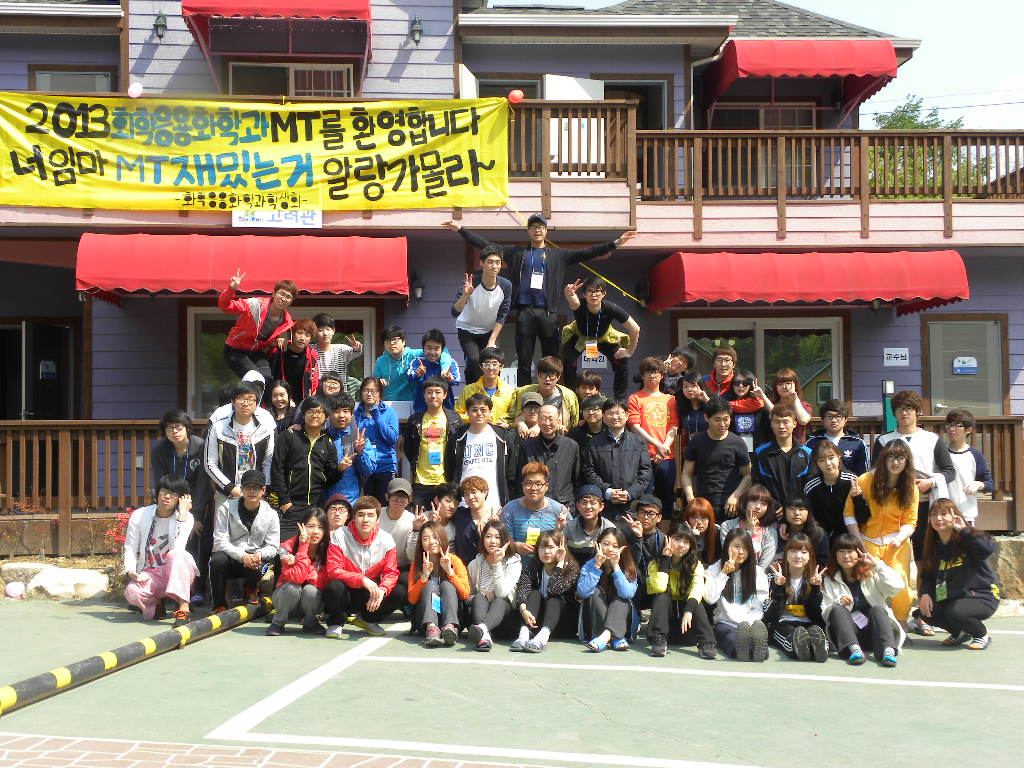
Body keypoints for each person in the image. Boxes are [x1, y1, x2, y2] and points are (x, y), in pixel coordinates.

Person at [445, 215, 638, 387]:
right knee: (524, 360)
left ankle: (552, 394)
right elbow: (486, 245)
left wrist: (616, 243)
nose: (537, 230)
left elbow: (588, 252)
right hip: (525, 312)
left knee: (552, 360)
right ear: (528, 231)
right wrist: (461, 230)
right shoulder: (517, 253)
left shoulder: (558, 255)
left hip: (548, 313)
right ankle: (524, 397)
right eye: (533, 227)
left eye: (541, 227)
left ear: (546, 231)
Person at [872, 389, 955, 558]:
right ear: (894, 413)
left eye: (909, 408)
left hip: (925, 503)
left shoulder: (932, 439)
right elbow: (875, 472)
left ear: (917, 411)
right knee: (894, 551)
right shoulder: (884, 440)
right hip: (894, 504)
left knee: (925, 552)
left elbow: (949, 471)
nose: (904, 413)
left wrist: (931, 482)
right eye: (900, 409)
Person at [846, 440, 918, 629]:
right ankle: (871, 626)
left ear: (907, 461)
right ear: (883, 459)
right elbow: (849, 515)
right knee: (868, 582)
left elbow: (911, 521)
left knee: (900, 580)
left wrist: (899, 539)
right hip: (867, 542)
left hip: (897, 544)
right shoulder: (865, 480)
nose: (895, 462)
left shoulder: (911, 487)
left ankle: (901, 625)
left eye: (901, 458)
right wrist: (858, 542)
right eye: (891, 457)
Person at [915, 499, 1001, 650]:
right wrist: (925, 594)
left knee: (956, 612)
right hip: (954, 598)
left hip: (982, 595)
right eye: (933, 515)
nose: (938, 518)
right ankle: (959, 632)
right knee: (925, 612)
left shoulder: (966, 538)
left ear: (955, 516)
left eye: (944, 514)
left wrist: (964, 530)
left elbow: (986, 550)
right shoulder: (932, 546)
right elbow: (927, 576)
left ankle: (981, 634)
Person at [151, 409, 213, 605]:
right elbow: (162, 483)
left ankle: (196, 589)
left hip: (197, 502)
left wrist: (195, 516)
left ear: (187, 428)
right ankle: (166, 589)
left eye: (178, 427)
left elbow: (203, 483)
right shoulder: (159, 450)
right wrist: (171, 511)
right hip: (171, 502)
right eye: (169, 428)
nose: (174, 431)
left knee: (195, 543)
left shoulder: (201, 447)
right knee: (168, 543)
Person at [123, 475, 197, 627]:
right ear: (157, 493)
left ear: (182, 498)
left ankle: (184, 609)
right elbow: (130, 546)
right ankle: (157, 602)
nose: (167, 497)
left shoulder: (186, 518)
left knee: (176, 554)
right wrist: (130, 571)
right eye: (164, 491)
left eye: (174, 494)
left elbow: (179, 548)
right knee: (131, 593)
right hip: (151, 571)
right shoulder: (140, 515)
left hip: (175, 569)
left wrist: (182, 515)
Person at [821, 535, 905, 666]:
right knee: (837, 609)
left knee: (877, 609)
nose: (846, 556)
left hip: (875, 634)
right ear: (835, 555)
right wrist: (838, 602)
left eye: (850, 551)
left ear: (859, 553)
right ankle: (854, 650)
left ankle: (887, 651)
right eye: (841, 551)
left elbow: (898, 586)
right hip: (848, 636)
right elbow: (825, 613)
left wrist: (877, 566)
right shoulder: (829, 579)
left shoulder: (872, 574)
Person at [323, 496, 400, 639]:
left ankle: (367, 619)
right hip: (347, 592)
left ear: (377, 519)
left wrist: (382, 590)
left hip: (369, 594)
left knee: (399, 591)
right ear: (353, 518)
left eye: (370, 515)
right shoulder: (340, 535)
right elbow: (333, 570)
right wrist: (362, 579)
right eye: (361, 515)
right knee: (333, 586)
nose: (365, 520)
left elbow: (391, 573)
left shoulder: (386, 539)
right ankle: (336, 622)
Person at [270, 395, 341, 543]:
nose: (315, 415)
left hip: (315, 508)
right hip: (290, 507)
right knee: (285, 549)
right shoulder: (289, 436)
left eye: (319, 412)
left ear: (326, 417)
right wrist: (285, 501)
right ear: (303, 414)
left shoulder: (328, 443)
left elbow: (330, 479)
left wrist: (340, 469)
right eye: (310, 411)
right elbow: (277, 470)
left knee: (310, 550)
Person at [210, 469, 280, 614]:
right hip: (231, 556)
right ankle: (219, 604)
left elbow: (273, 546)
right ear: (241, 489)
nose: (252, 491)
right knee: (216, 560)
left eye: (256, 488)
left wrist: (259, 554)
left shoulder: (271, 514)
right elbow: (220, 540)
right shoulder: (226, 508)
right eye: (248, 487)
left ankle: (251, 588)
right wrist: (242, 556)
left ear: (263, 490)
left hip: (256, 560)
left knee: (263, 561)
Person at [646, 521, 718, 659]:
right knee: (661, 596)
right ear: (668, 539)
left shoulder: (695, 564)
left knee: (695, 601)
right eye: (677, 539)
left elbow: (698, 588)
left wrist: (689, 610)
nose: (681, 545)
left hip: (687, 626)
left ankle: (707, 642)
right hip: (665, 627)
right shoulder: (654, 564)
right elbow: (659, 587)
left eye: (686, 542)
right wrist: (665, 560)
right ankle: (659, 641)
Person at [561, 276, 640, 400]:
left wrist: (629, 351)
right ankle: (572, 399)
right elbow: (573, 300)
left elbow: (635, 329)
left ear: (603, 294)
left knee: (621, 362)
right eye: (590, 291)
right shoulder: (579, 305)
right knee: (568, 361)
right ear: (584, 294)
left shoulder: (611, 308)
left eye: (597, 291)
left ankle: (619, 401)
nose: (594, 294)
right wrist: (568, 294)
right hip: (580, 336)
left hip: (605, 338)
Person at [205, 380, 275, 509]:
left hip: (256, 494)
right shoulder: (218, 427)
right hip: (226, 494)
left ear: (257, 403)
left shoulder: (265, 429)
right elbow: (210, 464)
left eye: (251, 399)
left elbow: (268, 462)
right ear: (232, 401)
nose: (245, 403)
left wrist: (263, 488)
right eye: (240, 398)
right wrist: (230, 488)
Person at [704, 528, 770, 661]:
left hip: (749, 624)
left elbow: (759, 607)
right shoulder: (714, 569)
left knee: (763, 651)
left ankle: (753, 650)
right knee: (735, 643)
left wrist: (747, 623)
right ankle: (744, 650)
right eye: (737, 546)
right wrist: (724, 573)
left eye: (745, 548)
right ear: (727, 547)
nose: (741, 552)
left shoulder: (757, 572)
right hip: (724, 624)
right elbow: (710, 599)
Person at [681, 397, 752, 519]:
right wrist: (691, 499)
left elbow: (748, 475)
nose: (722, 424)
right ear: (706, 418)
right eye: (717, 420)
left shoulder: (738, 443)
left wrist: (736, 496)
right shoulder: (696, 442)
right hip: (704, 505)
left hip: (731, 506)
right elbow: (686, 474)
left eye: (726, 419)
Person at [581, 398, 653, 519]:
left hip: (632, 506)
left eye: (619, 413)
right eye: (610, 413)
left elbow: (645, 472)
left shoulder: (638, 441)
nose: (615, 417)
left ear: (627, 416)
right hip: (603, 505)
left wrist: (629, 493)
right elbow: (589, 471)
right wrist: (608, 492)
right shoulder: (593, 443)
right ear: (604, 417)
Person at [219, 270, 296, 383]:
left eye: (288, 297)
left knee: (267, 378)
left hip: (256, 352)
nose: (284, 299)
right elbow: (226, 306)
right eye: (281, 294)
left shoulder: (286, 321)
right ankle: (243, 395)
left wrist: (280, 340)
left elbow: (280, 342)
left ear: (291, 301)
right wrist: (232, 288)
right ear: (274, 294)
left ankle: (259, 395)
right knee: (255, 378)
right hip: (235, 349)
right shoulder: (255, 304)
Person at [451, 245, 513, 383]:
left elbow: (503, 314)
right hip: (467, 329)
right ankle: (472, 392)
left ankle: (492, 392)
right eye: (490, 262)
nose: (494, 266)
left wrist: (492, 340)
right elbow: (455, 311)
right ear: (481, 263)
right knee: (474, 361)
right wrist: (465, 295)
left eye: (497, 262)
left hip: (490, 331)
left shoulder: (506, 285)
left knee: (492, 363)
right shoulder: (471, 282)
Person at [511, 529, 580, 652]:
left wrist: (560, 564)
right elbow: (523, 589)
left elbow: (554, 590)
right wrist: (523, 611)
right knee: (534, 593)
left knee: (554, 598)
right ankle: (524, 635)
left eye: (551, 547)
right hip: (536, 622)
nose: (546, 552)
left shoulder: (571, 568)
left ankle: (542, 638)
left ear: (561, 549)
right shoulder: (533, 565)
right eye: (542, 547)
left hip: (563, 623)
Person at [764, 534, 828, 662]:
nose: (798, 556)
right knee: (792, 635)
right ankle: (799, 648)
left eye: (804, 552)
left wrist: (815, 589)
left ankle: (819, 649)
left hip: (809, 622)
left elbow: (817, 614)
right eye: (793, 551)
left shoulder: (817, 579)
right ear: (786, 554)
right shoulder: (773, 577)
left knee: (815, 632)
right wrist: (779, 588)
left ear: (810, 556)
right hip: (783, 623)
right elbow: (769, 614)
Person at [628, 357, 680, 516]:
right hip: (643, 456)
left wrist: (664, 448)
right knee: (645, 500)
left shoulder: (670, 399)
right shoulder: (635, 398)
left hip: (667, 456)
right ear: (642, 375)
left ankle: (664, 531)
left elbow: (674, 426)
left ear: (662, 375)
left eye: (656, 372)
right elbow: (635, 426)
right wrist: (659, 446)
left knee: (667, 499)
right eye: (648, 372)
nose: (652, 375)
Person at [267, 507, 329, 636]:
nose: (316, 532)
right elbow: (297, 578)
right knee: (292, 587)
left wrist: (298, 561)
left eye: (321, 527)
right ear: (302, 526)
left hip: (312, 603)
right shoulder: (286, 548)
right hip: (285, 599)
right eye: (311, 526)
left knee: (311, 590)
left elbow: (318, 581)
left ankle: (310, 623)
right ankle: (278, 623)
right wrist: (303, 547)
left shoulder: (328, 549)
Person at [409, 521, 471, 647]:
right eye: (426, 539)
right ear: (421, 543)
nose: (431, 542)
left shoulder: (454, 560)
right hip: (425, 619)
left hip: (453, 617)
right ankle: (432, 628)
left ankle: (449, 627)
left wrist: (450, 572)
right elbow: (412, 599)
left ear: (442, 538)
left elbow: (465, 594)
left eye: (435, 537)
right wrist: (424, 577)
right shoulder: (417, 564)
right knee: (429, 585)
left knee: (446, 585)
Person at [577, 527, 639, 652]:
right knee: (595, 591)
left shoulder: (628, 566)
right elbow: (583, 592)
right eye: (606, 544)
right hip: (595, 622)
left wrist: (616, 566)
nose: (610, 549)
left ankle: (605, 637)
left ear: (622, 548)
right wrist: (597, 566)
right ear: (598, 545)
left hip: (623, 621)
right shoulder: (590, 565)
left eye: (615, 546)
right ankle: (614, 637)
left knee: (621, 597)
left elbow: (627, 594)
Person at [403, 376, 461, 507]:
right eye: (429, 392)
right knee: (421, 517)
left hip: (445, 481)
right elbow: (408, 448)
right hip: (421, 482)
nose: (433, 396)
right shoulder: (414, 420)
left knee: (444, 517)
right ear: (424, 395)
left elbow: (458, 449)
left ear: (445, 395)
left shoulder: (455, 420)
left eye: (437, 392)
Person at [466, 520, 523, 650]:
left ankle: (482, 629)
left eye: (497, 537)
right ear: (483, 539)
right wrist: (480, 595)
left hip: (505, 622)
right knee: (479, 597)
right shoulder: (474, 564)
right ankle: (484, 637)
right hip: (479, 615)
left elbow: (502, 593)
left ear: (504, 541)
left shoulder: (513, 563)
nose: (492, 541)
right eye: (488, 536)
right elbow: (467, 596)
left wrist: (497, 564)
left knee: (499, 601)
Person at [454, 393, 513, 509]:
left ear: (490, 412)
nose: (479, 413)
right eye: (474, 410)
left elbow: (511, 471)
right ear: (467, 412)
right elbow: (450, 469)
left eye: (483, 409)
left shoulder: (501, 436)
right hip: (465, 503)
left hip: (495, 503)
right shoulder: (458, 437)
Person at [751, 404, 813, 512]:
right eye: (777, 422)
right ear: (771, 424)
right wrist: (775, 505)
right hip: (771, 512)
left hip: (799, 513)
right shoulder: (760, 453)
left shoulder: (807, 453)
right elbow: (758, 484)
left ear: (794, 424)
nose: (781, 426)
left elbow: (811, 485)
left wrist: (795, 507)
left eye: (785, 422)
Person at [500, 462, 568, 559]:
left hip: (549, 566)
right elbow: (503, 540)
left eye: (538, 484)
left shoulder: (559, 510)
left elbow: (570, 543)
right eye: (528, 483)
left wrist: (559, 531)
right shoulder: (509, 510)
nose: (533, 488)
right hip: (518, 565)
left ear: (546, 486)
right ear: (522, 485)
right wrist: (515, 546)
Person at [516, 403, 580, 508]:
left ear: (558, 422)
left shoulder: (571, 445)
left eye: (551, 419)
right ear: (538, 421)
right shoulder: (527, 446)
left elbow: (577, 479)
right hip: (533, 506)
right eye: (543, 419)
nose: (547, 423)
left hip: (563, 505)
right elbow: (520, 479)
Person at [372, 324, 455, 403]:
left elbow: (444, 351)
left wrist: (445, 369)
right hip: (388, 403)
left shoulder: (414, 355)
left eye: (395, 339)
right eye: (387, 340)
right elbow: (373, 385)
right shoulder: (380, 361)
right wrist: (378, 382)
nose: (391, 343)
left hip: (411, 403)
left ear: (404, 341)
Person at [803, 440, 864, 541]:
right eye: (822, 460)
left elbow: (863, 515)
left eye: (831, 458)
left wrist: (857, 498)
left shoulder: (851, 480)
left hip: (849, 533)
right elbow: (809, 515)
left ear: (839, 458)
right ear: (816, 463)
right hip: (822, 535)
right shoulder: (812, 485)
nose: (828, 463)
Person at [943, 408, 994, 525]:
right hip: (941, 515)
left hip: (965, 514)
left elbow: (989, 484)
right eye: (949, 425)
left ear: (969, 429)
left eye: (957, 426)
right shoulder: (940, 451)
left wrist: (978, 484)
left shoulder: (975, 455)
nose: (952, 429)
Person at [354, 376, 400, 504]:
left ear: (379, 393)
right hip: (364, 468)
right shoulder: (355, 415)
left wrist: (377, 415)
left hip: (386, 466)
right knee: (368, 507)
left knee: (385, 506)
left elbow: (392, 439)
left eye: (373, 391)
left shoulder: (389, 412)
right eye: (366, 390)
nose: (369, 394)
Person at [325, 392, 376, 506]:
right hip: (325, 502)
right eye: (336, 411)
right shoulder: (321, 438)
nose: (341, 415)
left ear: (352, 413)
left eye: (345, 411)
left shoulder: (359, 438)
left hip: (351, 503)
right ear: (329, 414)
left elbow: (368, 471)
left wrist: (360, 452)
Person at [508, 356, 579, 438]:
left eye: (552, 375)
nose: (547, 379)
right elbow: (517, 415)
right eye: (544, 374)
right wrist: (520, 423)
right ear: (538, 375)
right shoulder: (524, 392)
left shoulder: (568, 396)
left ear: (558, 377)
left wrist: (540, 427)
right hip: (528, 437)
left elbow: (573, 422)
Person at [718, 484, 779, 570]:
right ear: (745, 502)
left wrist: (755, 576)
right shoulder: (727, 526)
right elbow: (729, 555)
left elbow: (764, 565)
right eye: (754, 501)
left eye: (763, 503)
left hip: (758, 575)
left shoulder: (770, 532)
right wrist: (750, 531)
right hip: (732, 572)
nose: (758, 507)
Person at [619, 495, 666, 608]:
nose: (645, 517)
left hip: (655, 584)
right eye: (642, 512)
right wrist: (638, 538)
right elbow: (631, 565)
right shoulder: (625, 533)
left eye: (651, 513)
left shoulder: (663, 539)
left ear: (659, 518)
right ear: (636, 514)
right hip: (632, 582)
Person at [454, 347, 516, 427]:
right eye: (487, 364)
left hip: (500, 432)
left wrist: (500, 421)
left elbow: (512, 414)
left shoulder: (509, 391)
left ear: (501, 367)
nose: (491, 368)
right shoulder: (468, 390)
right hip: (474, 431)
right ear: (481, 366)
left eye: (494, 364)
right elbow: (458, 414)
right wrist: (477, 419)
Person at [805, 400, 867, 476]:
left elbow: (863, 473)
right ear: (822, 420)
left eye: (838, 416)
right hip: (819, 483)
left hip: (851, 483)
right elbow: (808, 469)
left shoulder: (857, 443)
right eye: (829, 417)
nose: (834, 420)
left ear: (845, 419)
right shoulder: (812, 442)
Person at [407, 328, 460, 412]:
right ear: (423, 348)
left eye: (436, 349)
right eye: (429, 348)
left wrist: (450, 379)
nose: (432, 352)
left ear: (442, 350)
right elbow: (410, 376)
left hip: (446, 410)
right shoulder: (417, 361)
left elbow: (456, 379)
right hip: (421, 410)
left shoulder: (450, 363)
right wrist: (417, 375)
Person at [267, 318, 320, 401]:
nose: (302, 338)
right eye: (299, 333)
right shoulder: (279, 349)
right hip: (279, 399)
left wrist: (311, 396)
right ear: (292, 334)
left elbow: (314, 378)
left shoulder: (312, 354)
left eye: (307, 335)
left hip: (302, 400)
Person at [453, 476, 501, 566]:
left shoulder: (496, 516)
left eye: (474, 492)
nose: (470, 497)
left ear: (485, 492)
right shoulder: (459, 515)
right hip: (463, 569)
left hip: (488, 568)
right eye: (466, 494)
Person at [564, 484, 616, 564]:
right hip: (573, 568)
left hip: (601, 568)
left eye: (592, 503)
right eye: (584, 502)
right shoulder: (569, 527)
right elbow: (561, 550)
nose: (588, 507)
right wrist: (559, 529)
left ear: (601, 506)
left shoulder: (609, 528)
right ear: (578, 506)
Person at [761, 368, 813, 444]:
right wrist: (762, 396)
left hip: (796, 448)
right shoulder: (771, 404)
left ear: (795, 385)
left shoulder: (804, 405)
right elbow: (776, 413)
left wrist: (795, 400)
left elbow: (803, 420)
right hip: (773, 447)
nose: (784, 387)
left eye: (788, 383)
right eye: (780, 384)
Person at [776, 496, 829, 566]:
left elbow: (823, 560)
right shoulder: (778, 531)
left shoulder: (818, 533)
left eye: (801, 509)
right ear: (784, 511)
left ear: (808, 512)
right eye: (792, 509)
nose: (797, 513)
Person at [725, 369, 768, 454]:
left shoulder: (759, 405)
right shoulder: (726, 405)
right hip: (732, 451)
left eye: (745, 383)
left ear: (751, 385)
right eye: (737, 382)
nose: (741, 386)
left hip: (757, 452)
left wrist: (762, 396)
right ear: (732, 385)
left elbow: (774, 416)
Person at [311, 312, 362, 382]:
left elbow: (356, 352)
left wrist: (357, 346)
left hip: (338, 388)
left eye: (328, 329)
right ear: (314, 332)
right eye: (320, 330)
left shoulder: (341, 349)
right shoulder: (310, 350)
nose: (325, 333)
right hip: (317, 388)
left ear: (333, 331)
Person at [675, 371, 710, 451]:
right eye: (685, 386)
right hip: (691, 450)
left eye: (693, 386)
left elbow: (719, 413)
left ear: (701, 387)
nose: (689, 389)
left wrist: (705, 399)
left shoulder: (708, 402)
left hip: (709, 448)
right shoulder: (681, 406)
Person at [683, 497, 718, 566]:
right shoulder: (681, 534)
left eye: (703, 517)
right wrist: (692, 538)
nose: (699, 522)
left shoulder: (717, 533)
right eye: (694, 517)